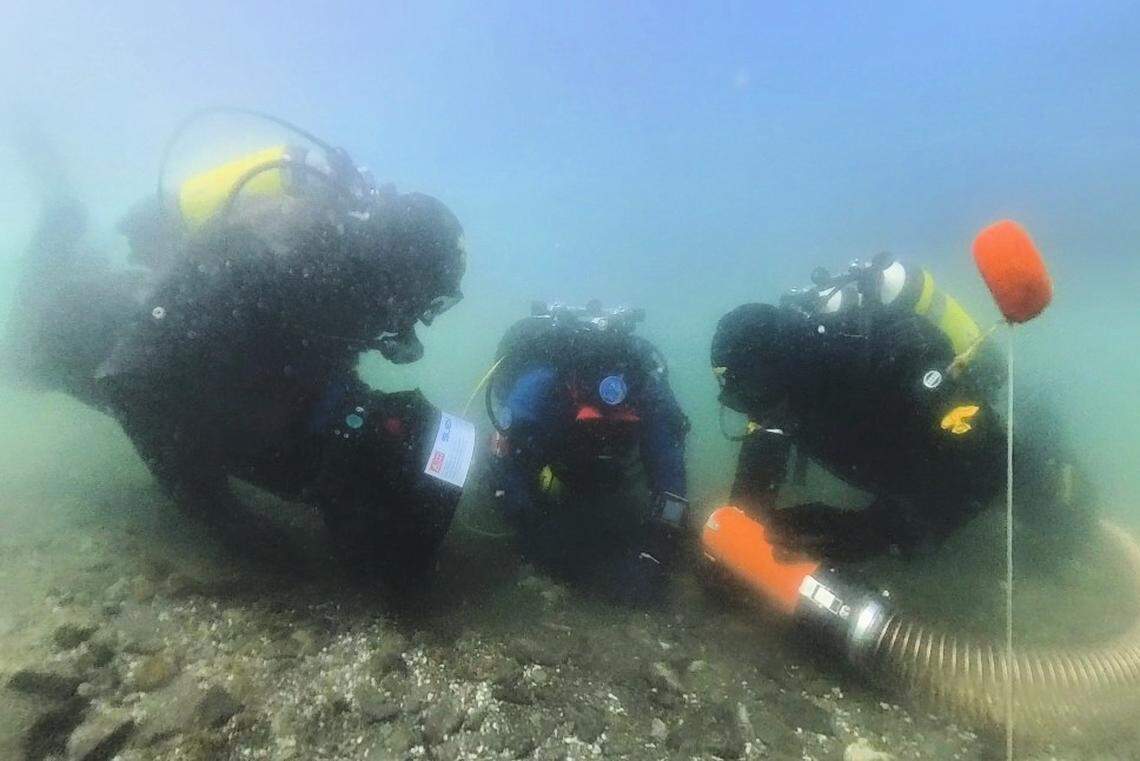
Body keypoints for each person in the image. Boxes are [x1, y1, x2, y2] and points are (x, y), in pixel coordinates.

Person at [4, 117, 469, 580]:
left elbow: (291, 362)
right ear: (394, 275)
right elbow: (131, 378)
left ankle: (68, 234)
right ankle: (61, 216)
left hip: (139, 320)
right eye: (421, 302)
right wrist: (224, 520)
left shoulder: (337, 288)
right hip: (63, 332)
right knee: (20, 347)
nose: (413, 322)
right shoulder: (269, 263)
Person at [710, 255, 1087, 563]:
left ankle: (1042, 426)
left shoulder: (897, 354)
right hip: (898, 463)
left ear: (791, 367)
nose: (758, 414)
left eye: (756, 398)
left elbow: (988, 465)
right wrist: (742, 530)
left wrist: (876, 531)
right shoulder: (778, 392)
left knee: (1057, 523)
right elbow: (748, 500)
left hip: (954, 443)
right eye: (743, 401)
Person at [485, 301, 690, 603]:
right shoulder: (541, 388)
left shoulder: (647, 393)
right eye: (594, 420)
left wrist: (658, 551)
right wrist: (531, 532)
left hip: (610, 478)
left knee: (612, 509)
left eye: (617, 420)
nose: (603, 430)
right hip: (554, 459)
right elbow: (504, 463)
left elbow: (671, 482)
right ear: (572, 387)